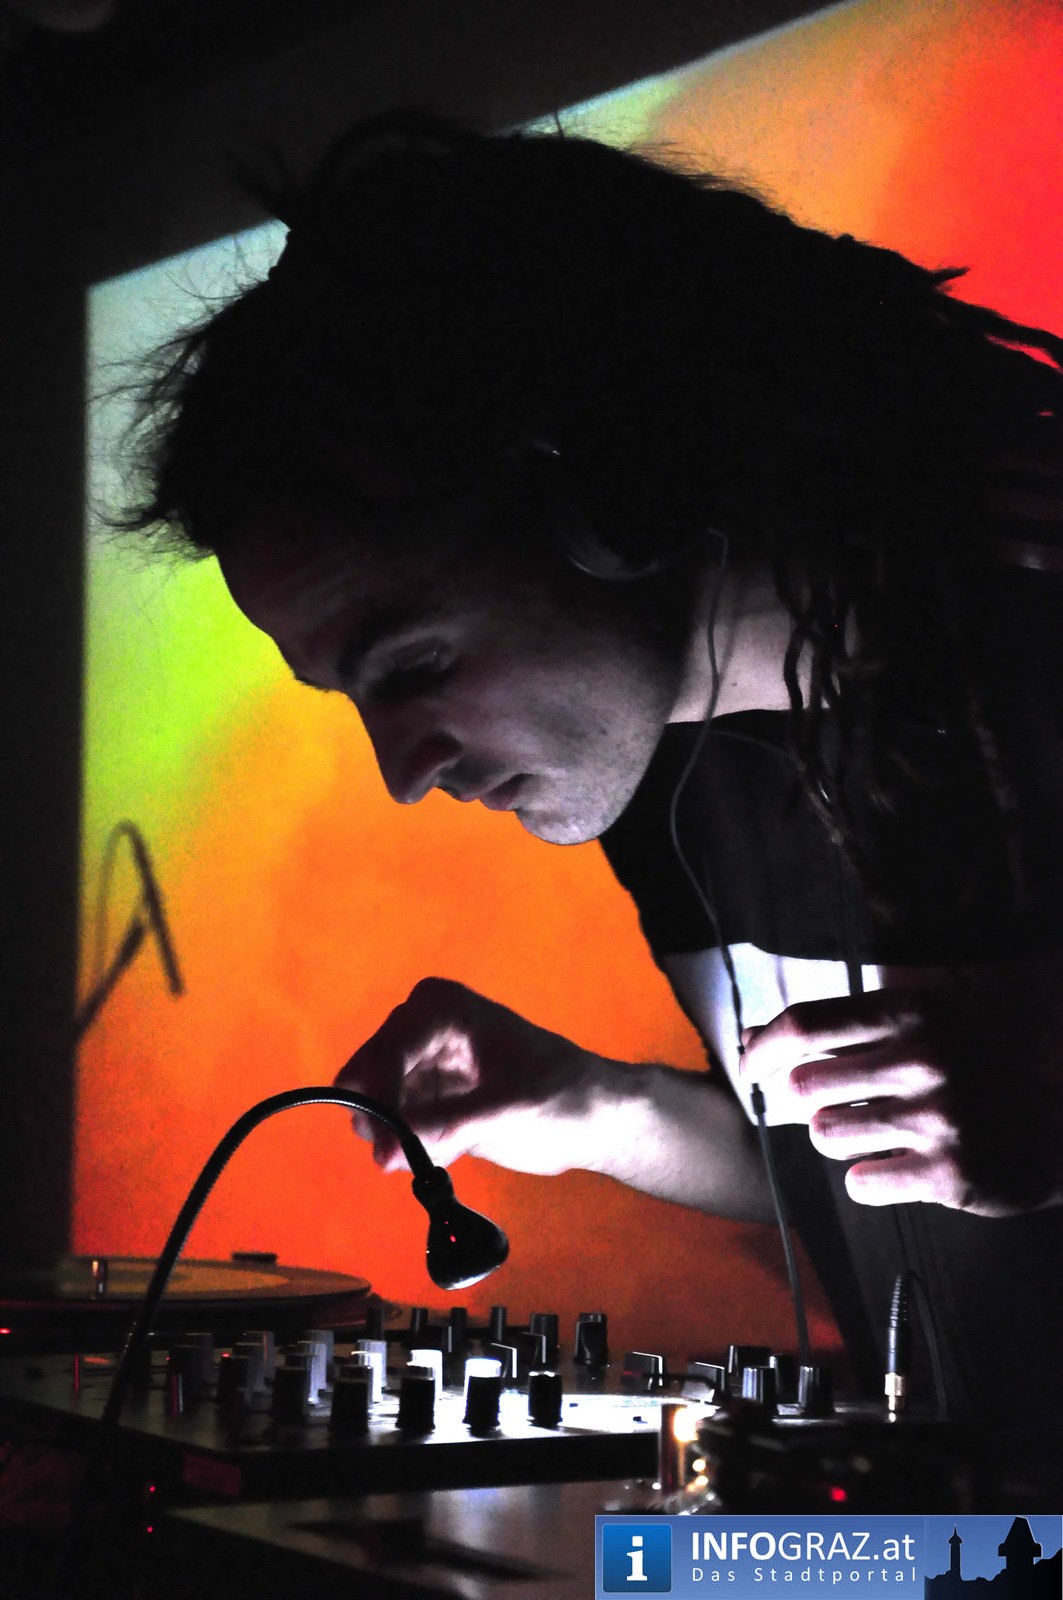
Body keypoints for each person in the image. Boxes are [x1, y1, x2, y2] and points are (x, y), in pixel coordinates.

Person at [122, 112, 1063, 1423]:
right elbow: (871, 1158)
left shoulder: (1031, 571)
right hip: (981, 1526)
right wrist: (593, 1106)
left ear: (621, 490)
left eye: (413, 663)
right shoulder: (657, 762)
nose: (406, 772)